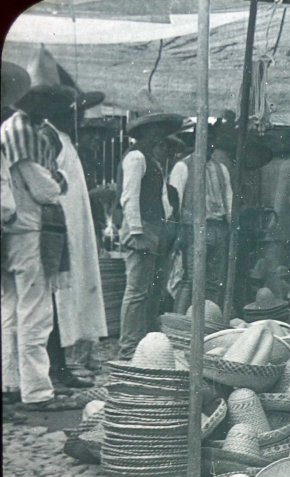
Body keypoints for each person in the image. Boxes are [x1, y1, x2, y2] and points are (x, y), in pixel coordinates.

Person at [1, 71, 70, 409]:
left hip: (12, 230)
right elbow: (47, 190)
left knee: (11, 310)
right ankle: (38, 392)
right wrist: (60, 178)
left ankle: (11, 383)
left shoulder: (11, 131)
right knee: (35, 313)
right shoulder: (23, 135)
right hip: (28, 229)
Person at [41, 89, 108, 385]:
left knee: (67, 298)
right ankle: (53, 369)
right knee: (54, 301)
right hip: (57, 231)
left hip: (75, 229)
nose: (79, 119)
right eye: (75, 113)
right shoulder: (48, 137)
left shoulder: (64, 139)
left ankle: (60, 366)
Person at [116, 112, 184, 361]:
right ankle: (128, 347)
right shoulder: (136, 157)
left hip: (155, 228)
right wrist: (136, 231)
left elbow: (164, 200)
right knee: (136, 291)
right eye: (153, 131)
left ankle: (143, 342)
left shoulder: (151, 161)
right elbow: (129, 196)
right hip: (142, 228)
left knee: (149, 290)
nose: (158, 136)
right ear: (143, 134)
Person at [169, 126, 233, 313]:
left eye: (213, 141)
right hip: (194, 229)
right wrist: (178, 232)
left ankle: (209, 321)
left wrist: (229, 228)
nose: (211, 145)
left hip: (219, 228)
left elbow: (228, 199)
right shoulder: (183, 167)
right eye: (207, 139)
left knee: (214, 281)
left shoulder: (221, 169)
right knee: (190, 279)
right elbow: (175, 202)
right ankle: (180, 322)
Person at [258, 131, 290, 297]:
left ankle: (277, 299)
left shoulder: (285, 165)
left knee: (273, 265)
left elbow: (281, 195)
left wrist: (273, 221)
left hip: (278, 225)